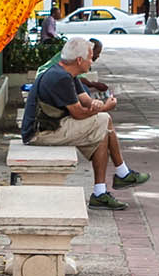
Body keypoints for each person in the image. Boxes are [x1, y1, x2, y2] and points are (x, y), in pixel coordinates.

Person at [21, 37, 148, 210]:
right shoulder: (60, 78)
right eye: (90, 57)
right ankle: (122, 172)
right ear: (79, 60)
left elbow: (86, 101)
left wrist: (98, 105)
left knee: (102, 129)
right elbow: (79, 114)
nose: (92, 61)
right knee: (104, 120)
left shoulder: (69, 74)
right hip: (39, 133)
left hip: (54, 125)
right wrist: (103, 109)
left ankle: (100, 193)